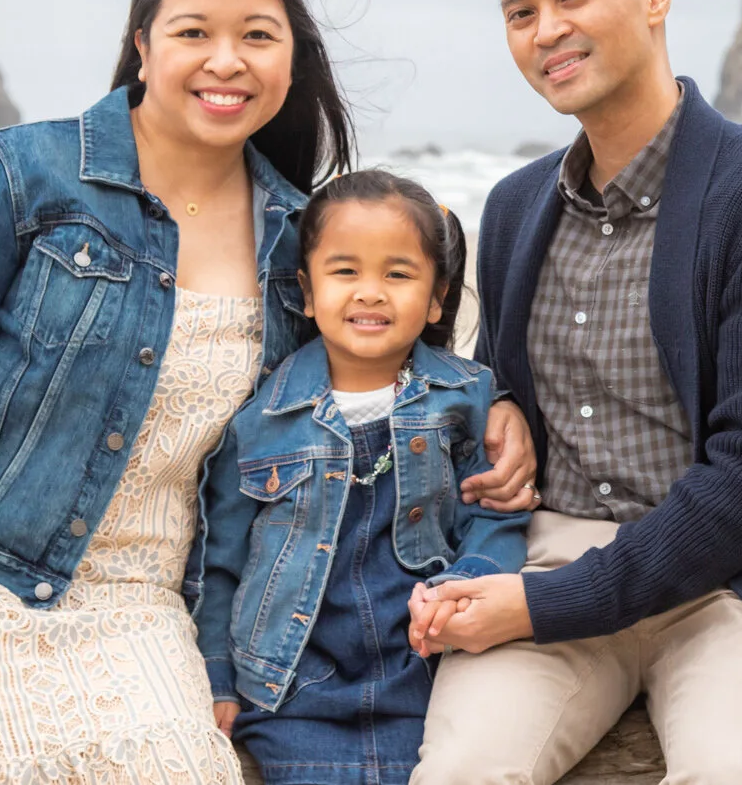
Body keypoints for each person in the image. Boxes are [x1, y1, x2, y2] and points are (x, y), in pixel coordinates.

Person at [0, 0, 538, 784]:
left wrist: (494, 404)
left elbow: (374, 365)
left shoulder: (297, 238)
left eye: (257, 37)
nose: (226, 60)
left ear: (290, 61)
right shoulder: (18, 172)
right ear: (143, 45)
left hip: (148, 603)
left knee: (185, 766)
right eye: (195, 32)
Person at [407, 0, 742, 785]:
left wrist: (547, 603)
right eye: (520, 12)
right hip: (550, 554)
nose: (548, 30)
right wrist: (497, 399)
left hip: (737, 585)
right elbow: (497, 376)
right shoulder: (514, 208)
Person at [198, 170, 530, 785]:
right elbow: (219, 560)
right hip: (293, 681)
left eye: (398, 274)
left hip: (428, 665)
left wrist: (470, 581)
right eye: (345, 272)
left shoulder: (468, 399)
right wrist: (217, 672)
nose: (371, 293)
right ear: (306, 289)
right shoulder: (262, 418)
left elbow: (497, 511)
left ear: (436, 298)